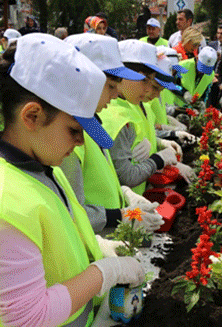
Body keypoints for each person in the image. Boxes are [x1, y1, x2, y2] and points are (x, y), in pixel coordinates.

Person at [0, 33, 145, 327]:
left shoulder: (43, 168)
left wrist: (96, 247)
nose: (80, 143)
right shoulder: (2, 208)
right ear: (33, 116)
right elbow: (29, 318)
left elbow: (60, 229)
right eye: (74, 130)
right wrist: (103, 273)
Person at [61, 33, 164, 235]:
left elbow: (106, 176)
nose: (116, 94)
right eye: (110, 86)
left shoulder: (92, 123)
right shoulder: (65, 137)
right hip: (94, 243)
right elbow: (71, 211)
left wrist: (124, 192)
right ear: (84, 79)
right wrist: (126, 215)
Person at [98, 40, 192, 196]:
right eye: (144, 80)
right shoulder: (113, 115)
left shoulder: (134, 103)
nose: (150, 91)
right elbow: (125, 175)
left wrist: (161, 142)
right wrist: (157, 160)